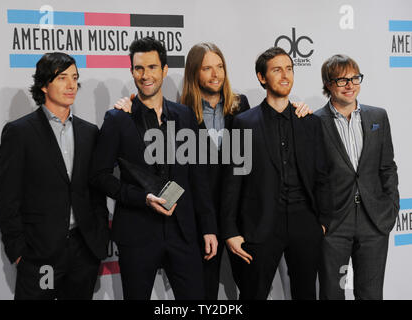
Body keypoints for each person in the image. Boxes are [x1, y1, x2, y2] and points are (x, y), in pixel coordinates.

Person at [114, 42, 313, 300]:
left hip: (242, 217)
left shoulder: (240, 107)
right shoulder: (181, 113)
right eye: (207, 68)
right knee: (205, 291)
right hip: (200, 217)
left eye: (219, 67)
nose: (215, 74)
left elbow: (262, 143)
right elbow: (176, 170)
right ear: (195, 73)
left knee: (250, 288)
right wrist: (128, 105)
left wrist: (299, 110)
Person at [90, 36, 218, 300]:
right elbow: (99, 176)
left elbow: (197, 176)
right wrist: (141, 198)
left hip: (182, 232)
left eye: (152, 67)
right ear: (132, 71)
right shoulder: (117, 119)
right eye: (139, 68)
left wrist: (208, 227)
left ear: (164, 70)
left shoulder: (184, 116)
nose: (145, 75)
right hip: (137, 232)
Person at [221, 47, 333, 300]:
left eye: (289, 69)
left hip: (305, 223)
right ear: (262, 78)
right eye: (277, 70)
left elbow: (322, 175)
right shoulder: (244, 123)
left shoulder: (310, 122)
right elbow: (232, 182)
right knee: (253, 293)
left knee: (306, 294)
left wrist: (323, 221)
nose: (285, 75)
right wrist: (230, 230)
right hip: (260, 224)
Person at [0, 52, 110, 300]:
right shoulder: (19, 133)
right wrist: (19, 253)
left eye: (75, 78)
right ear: (44, 84)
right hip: (39, 255)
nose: (71, 85)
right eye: (62, 78)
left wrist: (99, 238)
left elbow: (96, 192)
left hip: (83, 251)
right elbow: (8, 199)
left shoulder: (89, 132)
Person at [315, 54, 399, 300]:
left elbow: (387, 167)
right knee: (332, 293)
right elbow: (311, 177)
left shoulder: (378, 117)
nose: (350, 85)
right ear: (328, 84)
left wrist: (391, 207)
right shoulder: (314, 122)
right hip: (333, 224)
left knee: (371, 294)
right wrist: (320, 220)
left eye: (354, 78)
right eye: (342, 80)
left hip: (374, 221)